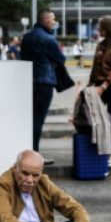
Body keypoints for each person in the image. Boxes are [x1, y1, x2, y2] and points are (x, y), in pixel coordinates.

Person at [20, 9, 66, 160]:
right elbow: (61, 59)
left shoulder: (26, 37)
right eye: (53, 19)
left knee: (28, 118)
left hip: (27, 81)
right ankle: (34, 155)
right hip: (44, 82)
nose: (54, 22)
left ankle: (26, 152)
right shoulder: (48, 39)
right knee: (38, 119)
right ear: (45, 20)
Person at [87, 15, 111, 167]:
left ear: (108, 29)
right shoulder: (101, 45)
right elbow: (95, 68)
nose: (98, 29)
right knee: (94, 118)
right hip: (98, 85)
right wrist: (90, 85)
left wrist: (104, 86)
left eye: (101, 27)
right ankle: (97, 149)